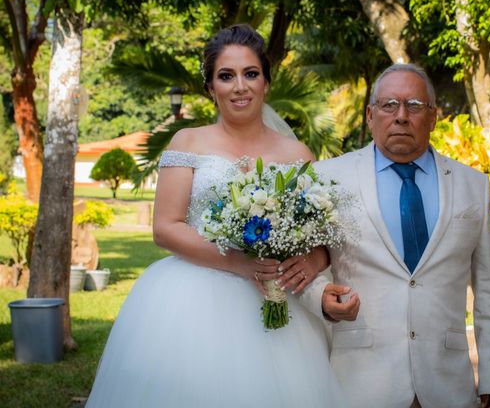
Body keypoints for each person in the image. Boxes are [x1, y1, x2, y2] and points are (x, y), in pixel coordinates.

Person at [86, 24, 346, 407]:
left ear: (266, 83)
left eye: (250, 74)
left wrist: (313, 259)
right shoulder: (188, 142)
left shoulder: (299, 154)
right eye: (226, 76)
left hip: (278, 305)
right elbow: (166, 228)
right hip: (192, 302)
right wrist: (241, 263)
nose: (239, 86)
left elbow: (321, 232)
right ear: (211, 88)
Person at [300, 63, 490, 408]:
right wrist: (320, 299)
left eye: (414, 106)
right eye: (388, 105)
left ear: (433, 117)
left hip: (448, 384)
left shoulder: (473, 185)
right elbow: (301, 269)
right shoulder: (327, 179)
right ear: (370, 115)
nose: (401, 116)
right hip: (360, 382)